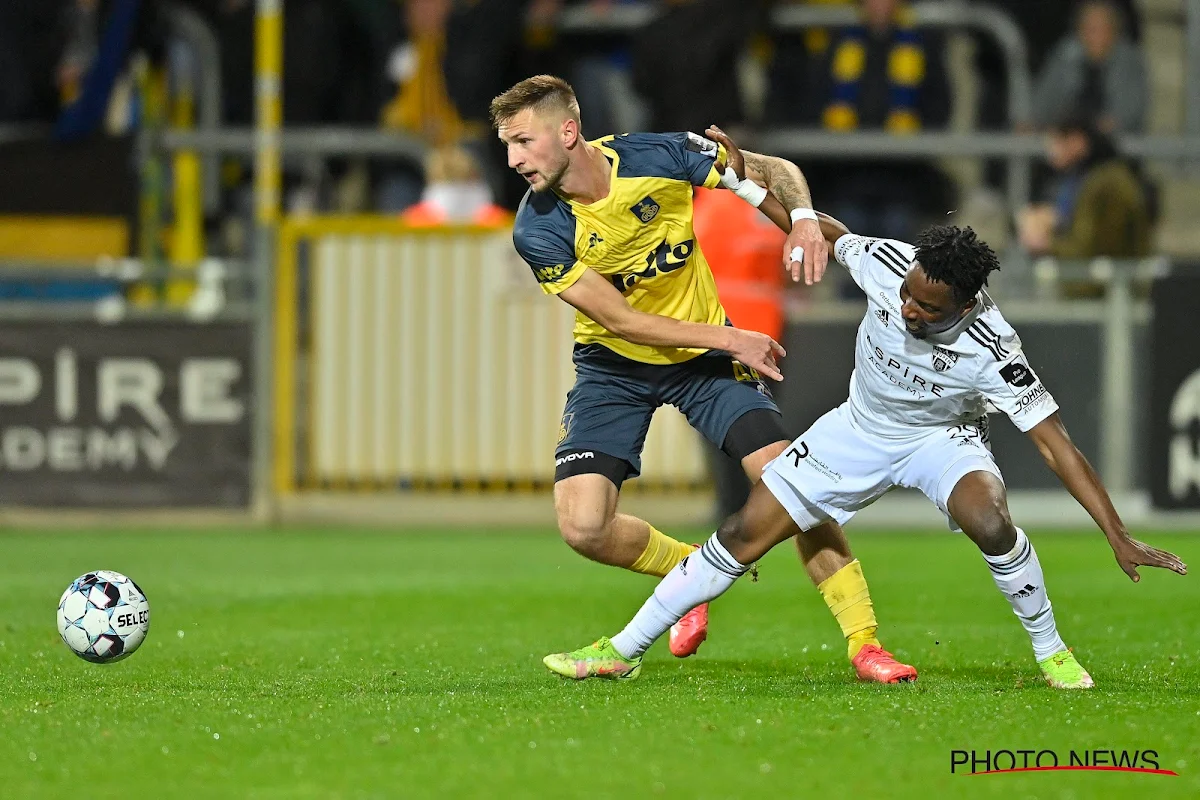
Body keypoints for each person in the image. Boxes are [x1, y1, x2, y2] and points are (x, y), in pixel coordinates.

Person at [544, 174, 1186, 688]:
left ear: (965, 308)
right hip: (855, 430)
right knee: (743, 532)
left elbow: (1055, 443)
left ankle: (1053, 653)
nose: (907, 308)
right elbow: (819, 231)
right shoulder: (888, 265)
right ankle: (622, 650)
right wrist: (746, 185)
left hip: (940, 440)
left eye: (926, 308)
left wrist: (1116, 533)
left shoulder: (995, 350)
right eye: (906, 294)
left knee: (990, 521)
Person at [491, 74, 916, 682]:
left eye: (524, 142)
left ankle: (865, 643)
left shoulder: (657, 155)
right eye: (507, 145)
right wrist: (731, 336)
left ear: (567, 131)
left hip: (706, 365)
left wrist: (799, 218)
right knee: (582, 527)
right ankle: (688, 569)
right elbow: (621, 320)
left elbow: (775, 169)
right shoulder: (539, 228)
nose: (513, 160)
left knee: (791, 486)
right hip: (615, 367)